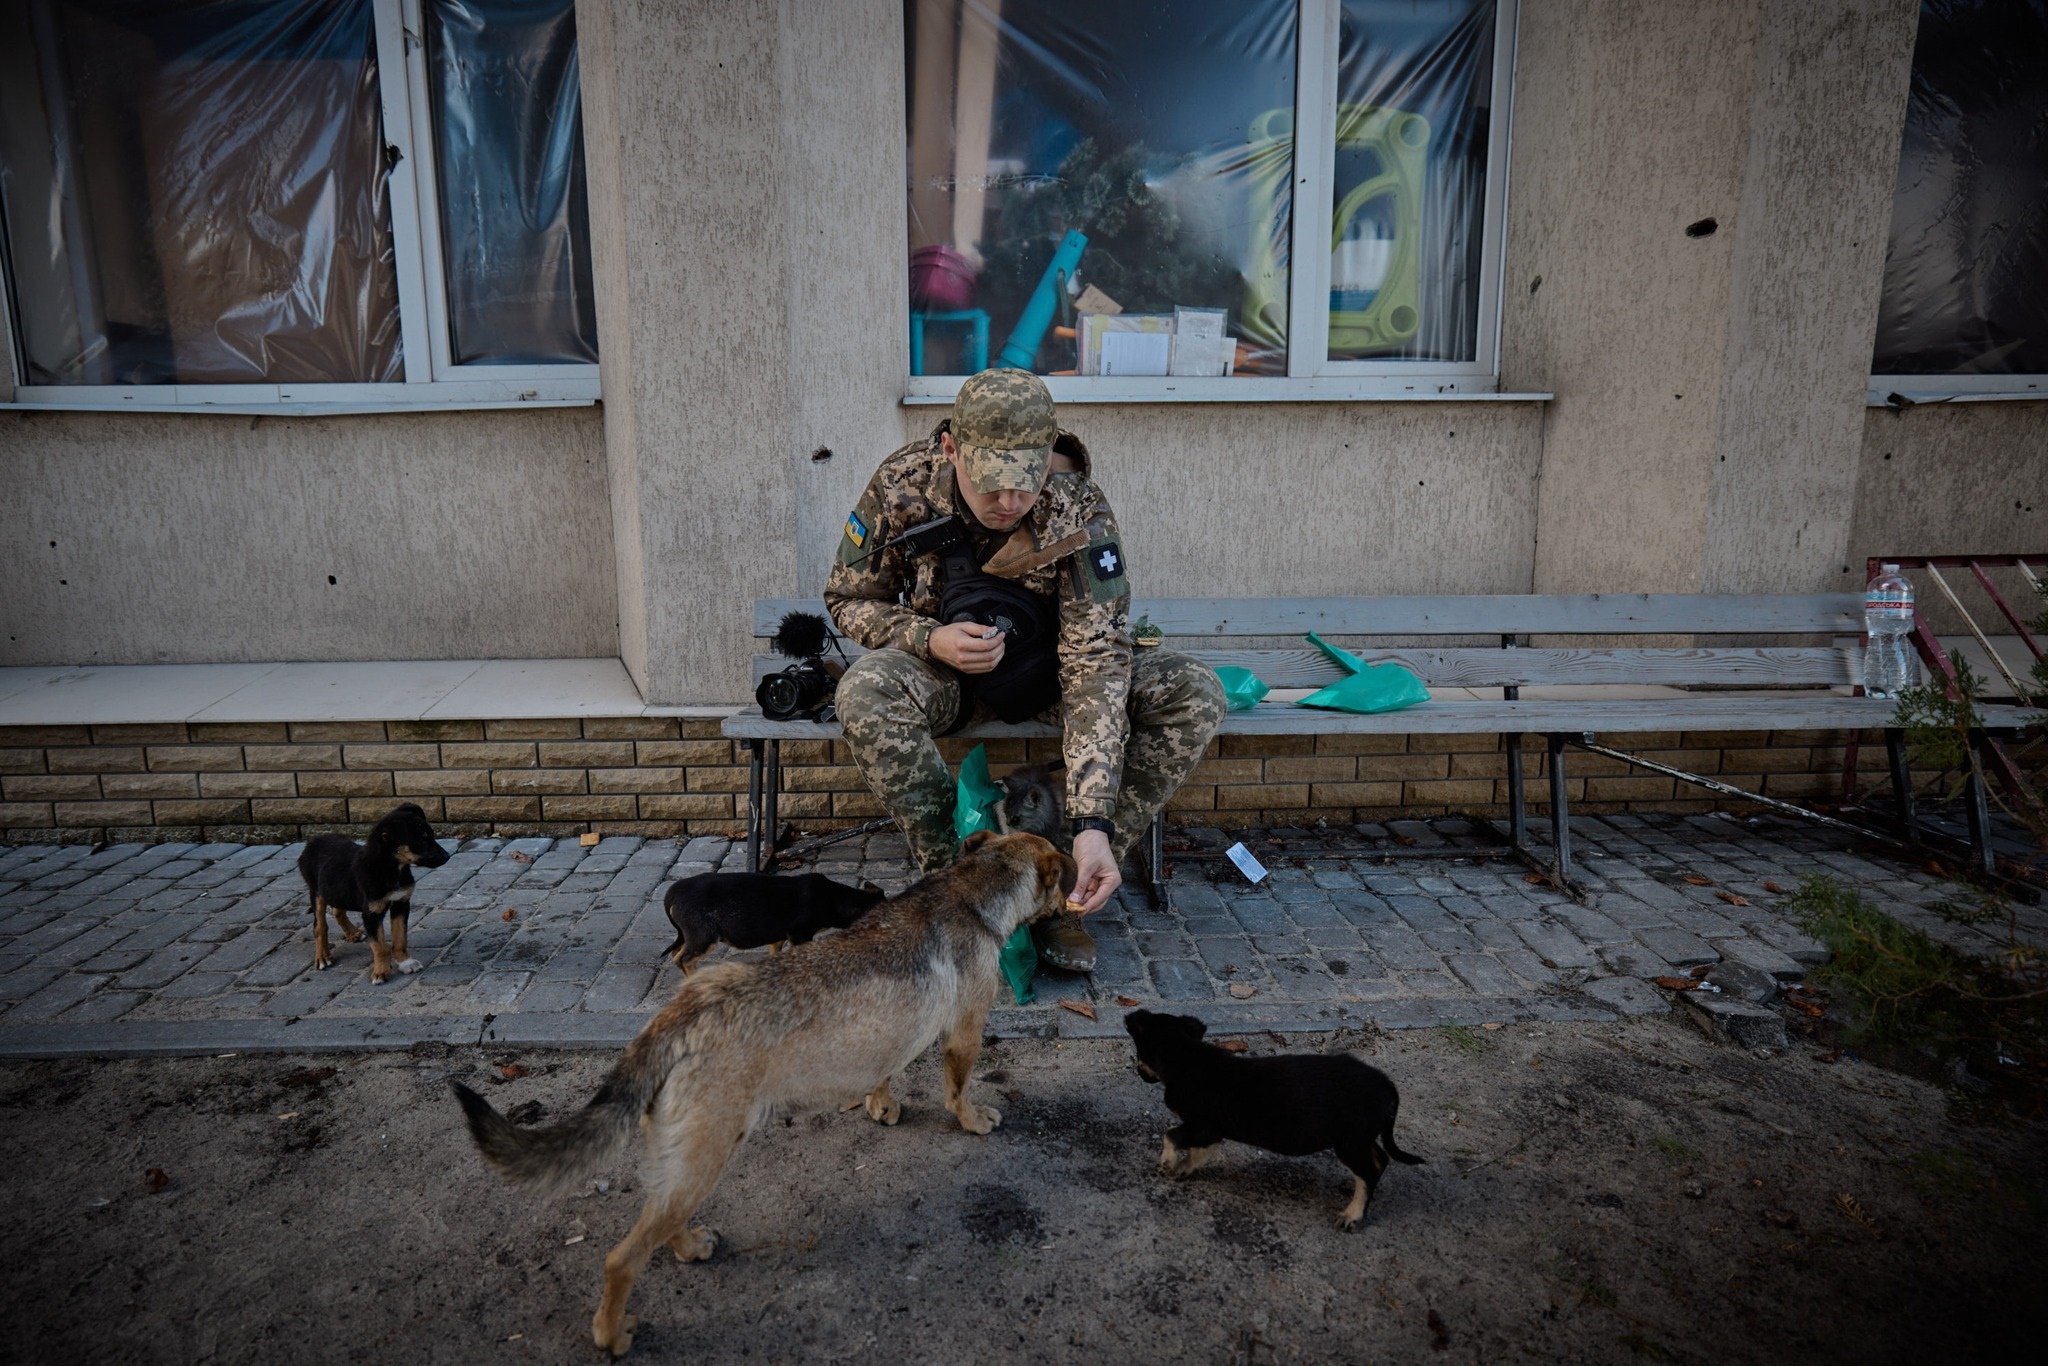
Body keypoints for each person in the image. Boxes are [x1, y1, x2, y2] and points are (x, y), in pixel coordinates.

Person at [825, 368, 1226, 972]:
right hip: (949, 678)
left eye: (1028, 482)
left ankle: (1063, 889)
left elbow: (1095, 658)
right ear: (951, 448)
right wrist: (928, 638)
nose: (1011, 503)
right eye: (992, 486)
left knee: (1193, 691)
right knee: (865, 690)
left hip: (1053, 677)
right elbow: (848, 599)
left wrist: (1094, 818)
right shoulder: (902, 485)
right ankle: (961, 890)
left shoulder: (1078, 505)